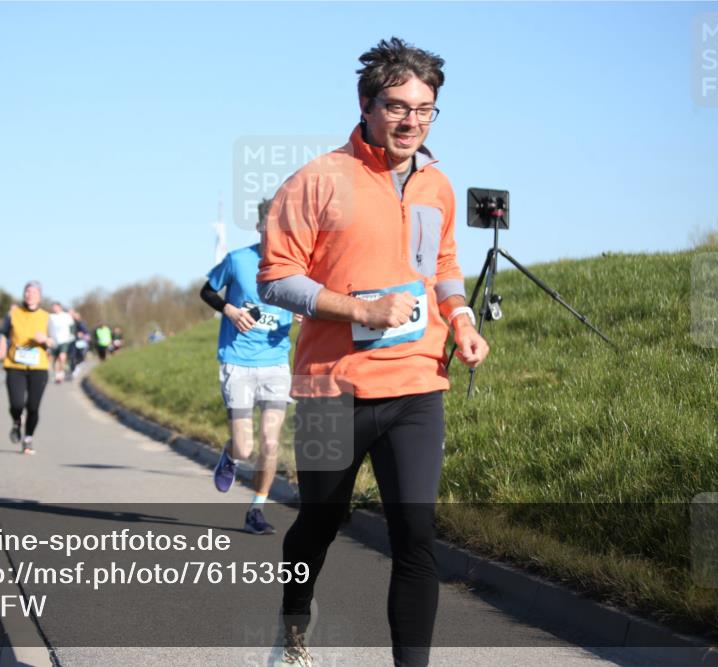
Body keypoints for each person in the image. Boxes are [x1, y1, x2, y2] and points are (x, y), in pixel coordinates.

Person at [257, 38, 489, 666]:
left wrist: (460, 317)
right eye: (397, 106)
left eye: (425, 108)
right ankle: (295, 627)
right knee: (319, 522)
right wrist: (360, 309)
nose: (411, 120)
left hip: (416, 382)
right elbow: (276, 277)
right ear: (366, 104)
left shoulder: (436, 184)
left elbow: (441, 265)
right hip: (333, 388)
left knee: (415, 535)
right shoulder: (319, 179)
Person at [201, 198, 294, 535]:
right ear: (259, 226)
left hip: (275, 363)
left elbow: (309, 300)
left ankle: (257, 509)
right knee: (246, 447)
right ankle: (230, 454)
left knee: (271, 441)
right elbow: (207, 290)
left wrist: (302, 312)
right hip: (237, 362)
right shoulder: (238, 260)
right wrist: (228, 309)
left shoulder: (296, 265)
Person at [0, 281, 53, 455]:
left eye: (34, 292)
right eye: (27, 291)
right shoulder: (13, 313)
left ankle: (28, 439)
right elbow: (3, 334)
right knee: (16, 404)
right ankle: (16, 422)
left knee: (33, 407)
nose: (30, 295)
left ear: (40, 296)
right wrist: (2, 344)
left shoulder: (46, 317)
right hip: (15, 365)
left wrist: (46, 340)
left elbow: (55, 341)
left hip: (38, 367)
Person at [47, 302, 74, 383]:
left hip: (64, 340)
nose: (54, 309)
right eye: (53, 307)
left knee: (62, 357)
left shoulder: (66, 316)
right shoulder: (50, 316)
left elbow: (72, 326)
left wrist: (71, 335)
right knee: (55, 359)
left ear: (60, 307)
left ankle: (61, 373)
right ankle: (57, 375)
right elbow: (46, 327)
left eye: (56, 307)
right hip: (53, 341)